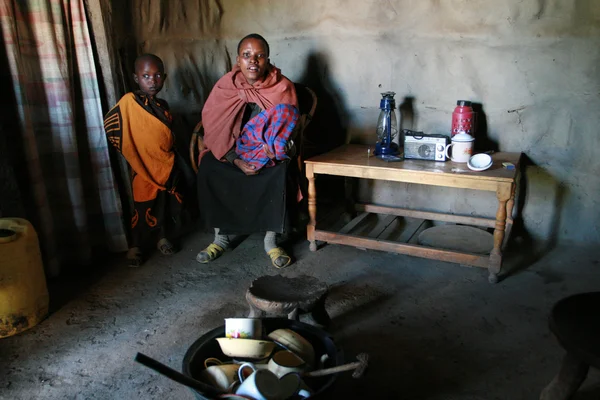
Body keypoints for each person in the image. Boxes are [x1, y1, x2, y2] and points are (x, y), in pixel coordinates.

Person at [196, 33, 300, 269]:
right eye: (247, 55)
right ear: (238, 59)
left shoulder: (282, 87)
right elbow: (213, 126)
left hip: (266, 153)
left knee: (279, 170)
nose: (253, 61)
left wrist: (277, 150)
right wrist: (233, 159)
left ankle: (271, 241)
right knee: (209, 166)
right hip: (232, 152)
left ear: (268, 60)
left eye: (260, 56)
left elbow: (292, 129)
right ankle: (220, 238)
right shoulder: (225, 86)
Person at [104, 54, 185, 267]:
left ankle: (162, 237)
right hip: (141, 165)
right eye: (146, 76)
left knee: (164, 202)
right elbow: (112, 124)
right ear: (136, 78)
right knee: (142, 205)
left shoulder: (163, 104)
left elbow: (167, 134)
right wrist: (131, 151)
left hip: (164, 164)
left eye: (158, 75)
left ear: (164, 77)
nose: (152, 80)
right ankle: (135, 246)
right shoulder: (129, 102)